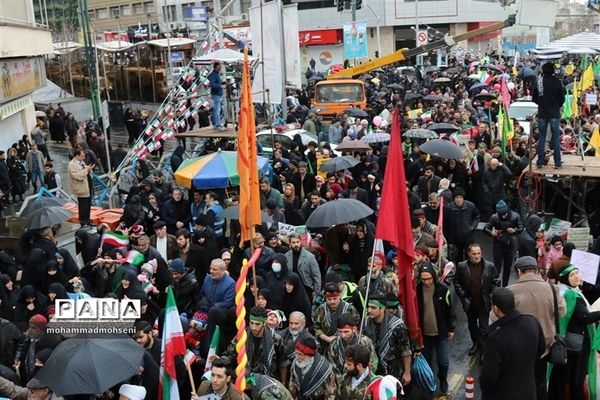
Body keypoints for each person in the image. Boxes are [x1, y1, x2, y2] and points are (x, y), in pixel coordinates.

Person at [507, 256, 565, 400]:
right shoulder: (552, 289)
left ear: (519, 271)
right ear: (537, 270)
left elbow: (496, 317)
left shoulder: (510, 291)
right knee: (539, 382)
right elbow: (562, 312)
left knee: (518, 383)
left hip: (518, 348)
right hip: (544, 347)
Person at [480, 288, 545, 400]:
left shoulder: (495, 337)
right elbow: (541, 349)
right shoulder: (532, 322)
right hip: (528, 392)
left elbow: (489, 377)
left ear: (495, 308)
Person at [549, 264, 600, 399]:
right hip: (576, 344)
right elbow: (585, 318)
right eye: (572, 275)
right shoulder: (571, 295)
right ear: (565, 278)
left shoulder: (567, 292)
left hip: (571, 341)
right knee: (575, 377)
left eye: (577, 272)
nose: (577, 276)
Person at [453, 243, 500, 356]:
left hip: (484, 303)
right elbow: (456, 282)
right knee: (472, 326)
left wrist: (491, 295)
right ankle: (475, 344)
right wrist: (463, 296)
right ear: (469, 254)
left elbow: (496, 282)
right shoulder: (462, 266)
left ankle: (484, 350)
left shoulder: (489, 266)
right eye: (474, 253)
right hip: (470, 304)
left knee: (484, 328)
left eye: (478, 253)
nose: (477, 256)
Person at [417, 262, 455, 396]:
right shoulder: (417, 290)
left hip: (441, 333)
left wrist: (451, 328)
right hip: (424, 334)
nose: (426, 282)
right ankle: (429, 385)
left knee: (443, 361)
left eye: (429, 278)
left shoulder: (443, 289)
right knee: (427, 363)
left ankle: (443, 379)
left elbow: (449, 310)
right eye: (423, 279)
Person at [362, 295, 412, 385]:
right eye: (368, 307)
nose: (369, 310)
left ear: (382, 309)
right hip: (372, 368)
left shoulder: (397, 325)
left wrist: (407, 373)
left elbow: (406, 351)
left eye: (373, 308)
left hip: (393, 368)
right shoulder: (365, 324)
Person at [533, 62, 566, 169]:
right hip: (554, 114)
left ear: (543, 70)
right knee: (555, 138)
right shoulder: (558, 82)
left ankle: (540, 161)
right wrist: (556, 106)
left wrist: (542, 104)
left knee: (541, 137)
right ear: (553, 70)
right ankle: (557, 163)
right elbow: (562, 99)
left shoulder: (539, 82)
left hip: (542, 113)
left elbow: (534, 98)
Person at [484, 200, 523, 286]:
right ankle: (497, 285)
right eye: (501, 215)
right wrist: (491, 233)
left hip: (510, 245)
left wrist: (514, 230)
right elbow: (486, 228)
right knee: (497, 267)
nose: (504, 216)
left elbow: (521, 228)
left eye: (505, 214)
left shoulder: (515, 216)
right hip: (498, 245)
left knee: (507, 268)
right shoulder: (494, 217)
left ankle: (505, 286)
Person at [289, 335, 337, 400]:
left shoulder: (324, 368)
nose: (297, 357)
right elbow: (292, 385)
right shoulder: (295, 362)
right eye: (296, 353)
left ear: (309, 355)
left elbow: (330, 393)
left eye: (300, 354)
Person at [285, 233, 321, 300]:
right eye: (293, 242)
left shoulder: (310, 257)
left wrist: (316, 293)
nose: (296, 244)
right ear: (290, 244)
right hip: (292, 291)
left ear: (300, 242)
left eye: (297, 242)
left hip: (307, 290)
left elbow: (316, 276)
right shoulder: (286, 256)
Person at [68, 149, 94, 226]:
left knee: (88, 205)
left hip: (88, 186)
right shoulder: (72, 165)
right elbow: (78, 176)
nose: (84, 158)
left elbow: (85, 170)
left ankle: (88, 221)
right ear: (77, 155)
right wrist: (86, 169)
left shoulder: (81, 162)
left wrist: (89, 169)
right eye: (82, 156)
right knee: (83, 206)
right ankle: (83, 222)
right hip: (81, 188)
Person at [207, 61, 225, 132]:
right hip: (216, 95)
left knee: (215, 110)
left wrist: (223, 84)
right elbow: (212, 84)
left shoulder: (216, 74)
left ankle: (215, 124)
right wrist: (220, 86)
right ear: (216, 67)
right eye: (219, 66)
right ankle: (218, 125)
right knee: (217, 110)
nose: (220, 68)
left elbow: (217, 83)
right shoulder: (213, 75)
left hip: (218, 95)